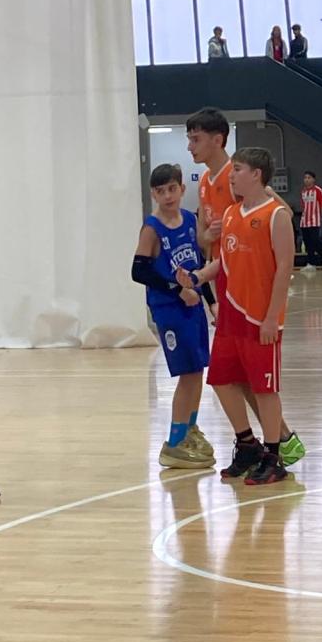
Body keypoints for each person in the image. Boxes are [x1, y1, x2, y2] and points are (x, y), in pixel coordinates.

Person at [186, 107, 305, 466]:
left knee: (253, 377)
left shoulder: (240, 177)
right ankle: (263, 441)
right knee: (230, 374)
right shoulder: (205, 183)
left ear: (217, 139)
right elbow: (205, 237)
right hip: (224, 277)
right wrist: (205, 264)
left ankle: (280, 442)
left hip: (249, 283)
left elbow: (280, 215)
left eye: (195, 139)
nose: (190, 146)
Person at [131, 163, 215, 470]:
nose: (167, 195)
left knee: (198, 370)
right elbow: (138, 271)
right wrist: (177, 290)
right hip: (169, 307)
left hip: (192, 304)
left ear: (182, 188)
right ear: (153, 194)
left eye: (172, 189)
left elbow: (197, 266)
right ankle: (174, 441)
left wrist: (211, 301)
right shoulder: (152, 228)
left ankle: (189, 429)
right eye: (161, 191)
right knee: (188, 373)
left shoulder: (191, 220)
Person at [300, 171, 322, 271]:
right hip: (304, 221)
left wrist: (319, 215)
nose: (306, 180)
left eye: (309, 177)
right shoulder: (303, 191)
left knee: (315, 240)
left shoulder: (318, 190)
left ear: (313, 179)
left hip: (314, 220)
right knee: (307, 242)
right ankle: (311, 263)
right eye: (305, 178)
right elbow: (303, 206)